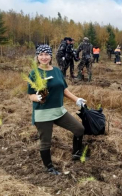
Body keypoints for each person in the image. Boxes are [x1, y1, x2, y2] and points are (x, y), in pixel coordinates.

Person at [27, 45, 87, 175]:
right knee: (46, 141)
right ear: (37, 56)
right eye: (41, 54)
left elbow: (64, 89)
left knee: (79, 129)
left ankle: (76, 153)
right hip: (42, 113)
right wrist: (37, 98)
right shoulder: (34, 73)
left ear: (50, 56)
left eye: (46, 54)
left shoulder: (56, 71)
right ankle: (49, 167)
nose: (44, 57)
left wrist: (76, 99)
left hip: (59, 111)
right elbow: (30, 95)